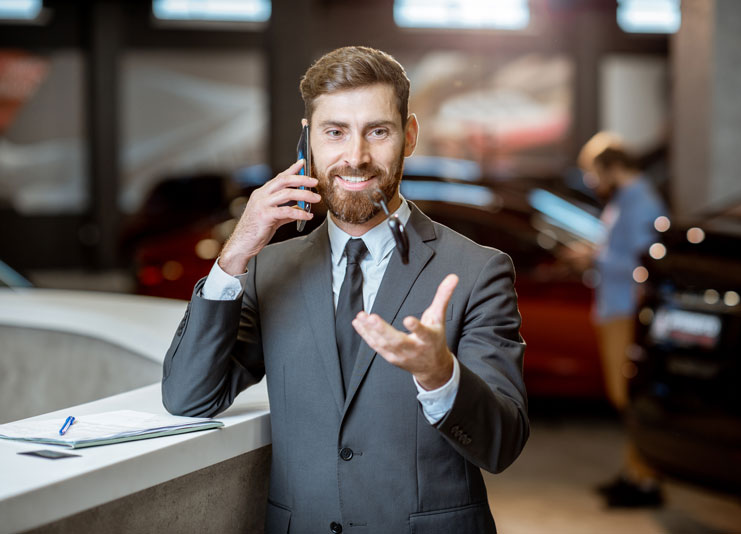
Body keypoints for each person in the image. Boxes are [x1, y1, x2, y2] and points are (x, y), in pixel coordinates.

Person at [161, 46, 529, 533]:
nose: (355, 157)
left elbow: (502, 445)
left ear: (410, 135)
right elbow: (188, 396)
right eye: (335, 132)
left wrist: (440, 374)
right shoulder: (267, 269)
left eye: (377, 131)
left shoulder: (479, 271)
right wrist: (234, 256)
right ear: (309, 140)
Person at [567, 132, 668, 508]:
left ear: (612, 167)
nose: (592, 181)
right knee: (623, 395)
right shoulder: (628, 199)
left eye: (594, 172)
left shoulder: (641, 202)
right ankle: (636, 473)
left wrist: (596, 259)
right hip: (616, 305)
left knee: (628, 395)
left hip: (626, 309)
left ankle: (645, 479)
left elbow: (648, 263)